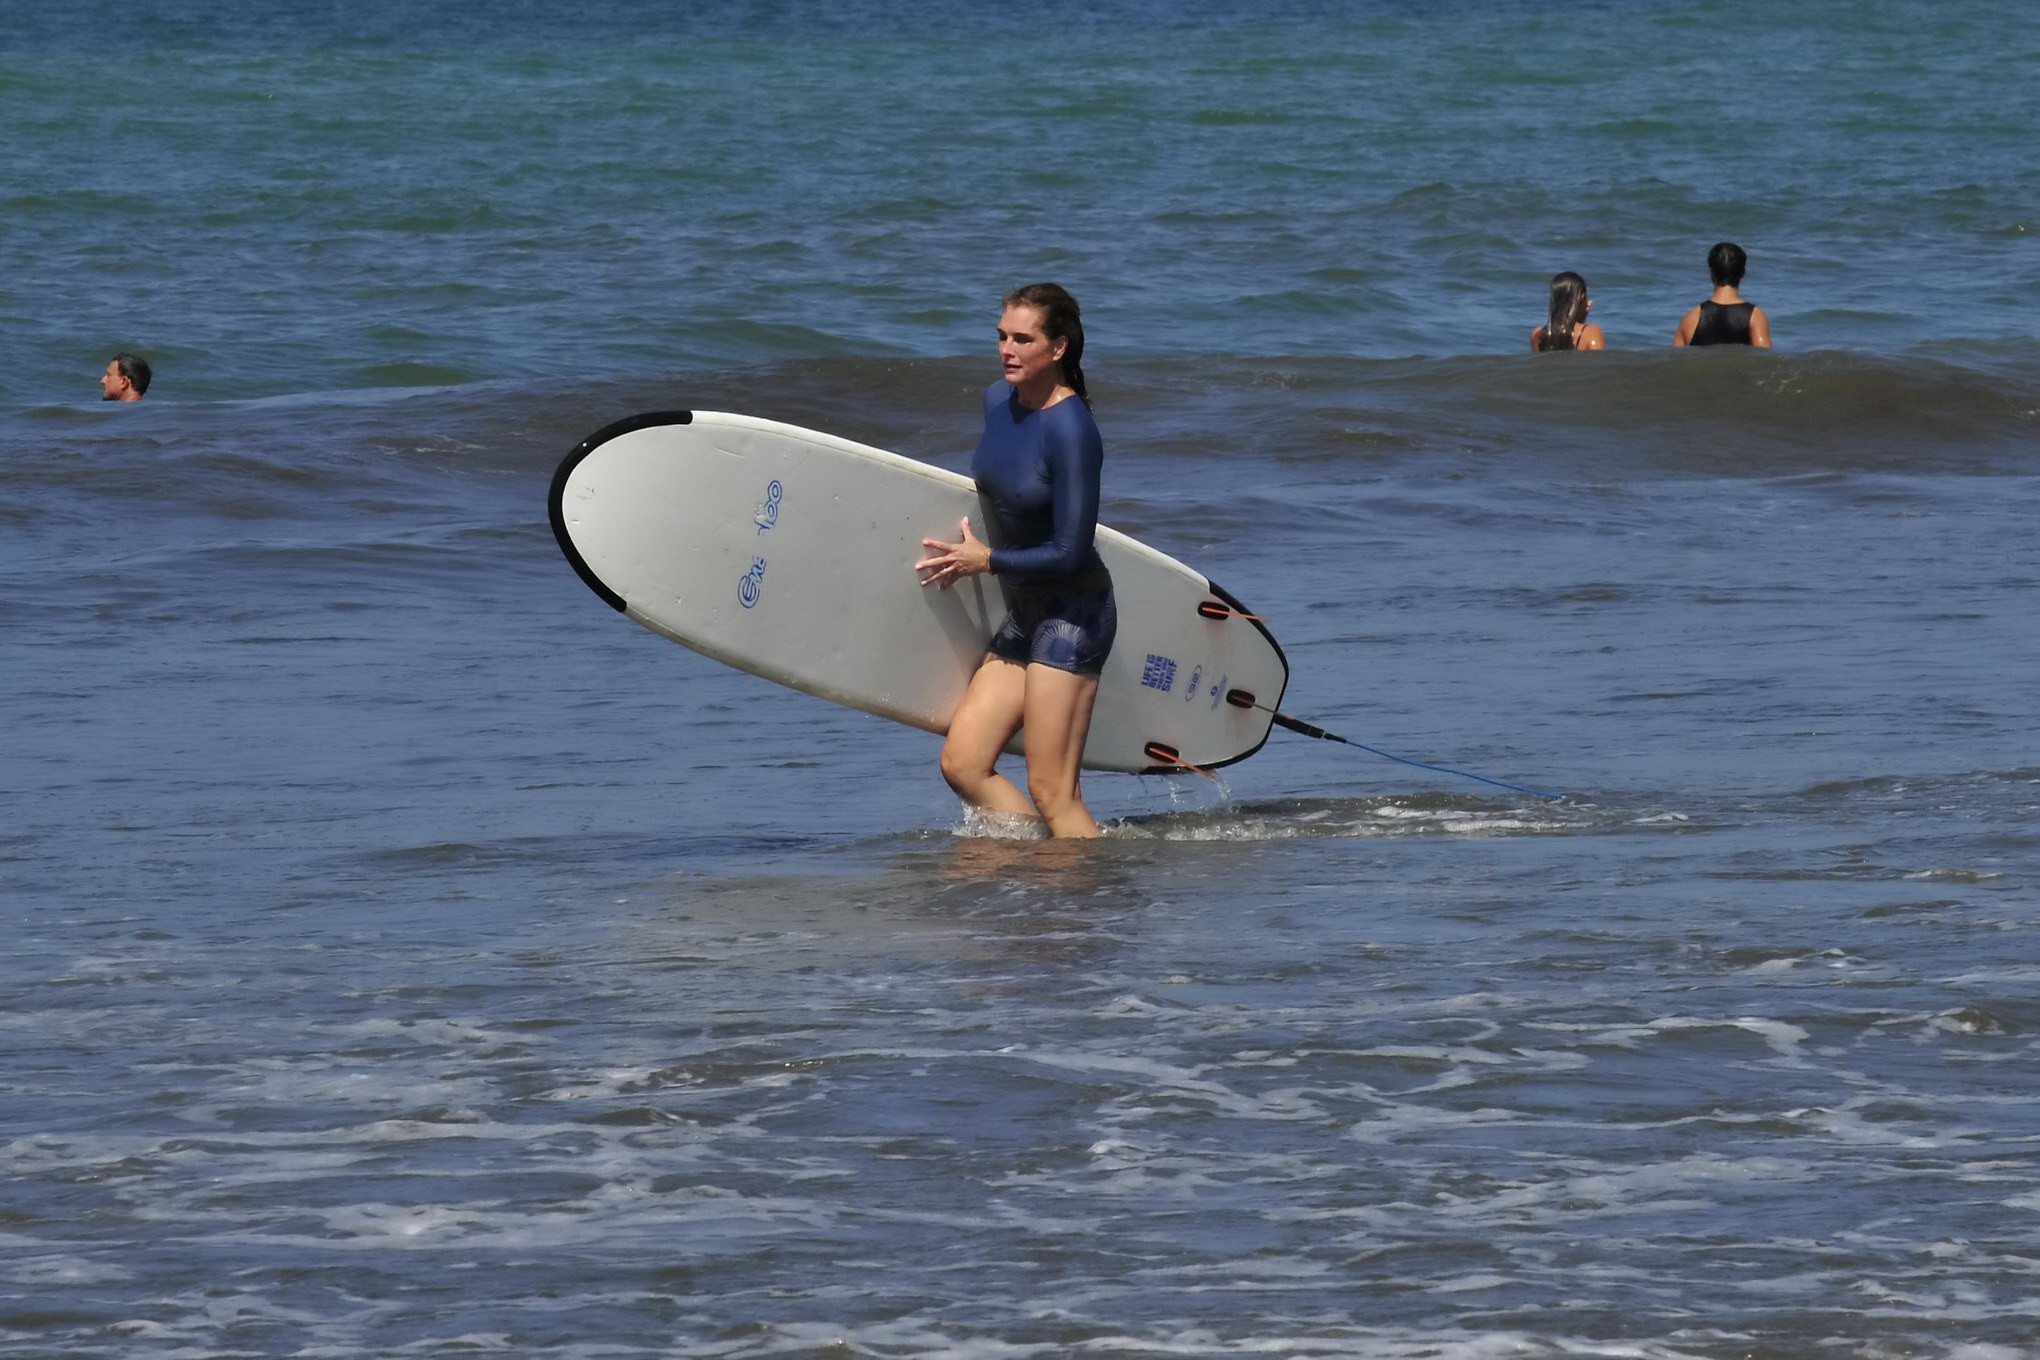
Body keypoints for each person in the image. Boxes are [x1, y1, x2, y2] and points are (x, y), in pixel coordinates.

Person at [916, 283, 1114, 839]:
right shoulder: (995, 403)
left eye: (1023, 339)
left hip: (1073, 615)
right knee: (964, 763)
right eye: (1001, 336)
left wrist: (987, 561)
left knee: (1054, 791)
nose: (1007, 349)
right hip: (1024, 613)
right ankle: (1042, 869)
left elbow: (1070, 550)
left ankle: (1083, 906)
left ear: (1058, 348)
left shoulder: (1073, 430)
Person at [1673, 242, 1772, 348]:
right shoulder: (1755, 316)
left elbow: (1675, 360)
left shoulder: (1691, 318)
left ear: (1711, 273)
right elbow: (1766, 360)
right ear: (1743, 273)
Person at [1531, 271, 1605, 352]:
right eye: (1587, 297)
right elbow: (1599, 363)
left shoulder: (1537, 335)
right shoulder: (1591, 332)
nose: (1589, 302)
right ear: (1581, 297)